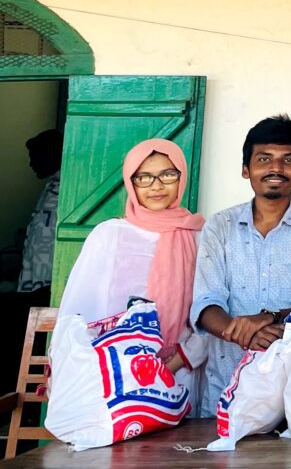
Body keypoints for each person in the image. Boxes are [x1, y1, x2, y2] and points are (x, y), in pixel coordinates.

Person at [191, 115, 291, 416]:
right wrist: (243, 333)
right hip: (225, 388)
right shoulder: (220, 226)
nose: (276, 168)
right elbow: (207, 303)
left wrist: (268, 319)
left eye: (288, 159)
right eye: (264, 159)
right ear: (246, 169)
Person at [59, 138, 207, 406]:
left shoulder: (200, 236)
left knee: (174, 445)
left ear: (181, 178)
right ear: (131, 182)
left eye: (167, 174)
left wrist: (171, 365)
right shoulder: (109, 235)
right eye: (144, 177)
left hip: (179, 370)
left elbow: (209, 311)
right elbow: (82, 308)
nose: (157, 186)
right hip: (115, 371)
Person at [17, 129, 63, 296]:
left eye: (34, 157)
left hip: (49, 285)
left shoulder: (68, 190)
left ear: (50, 155)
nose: (31, 163)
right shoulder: (52, 187)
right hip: (36, 279)